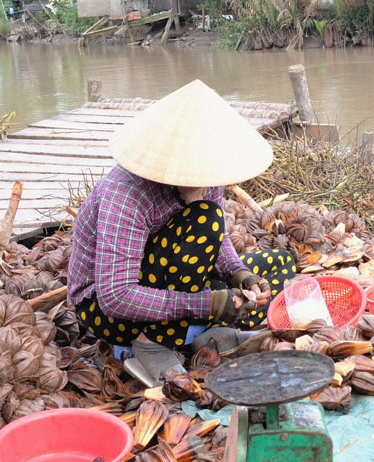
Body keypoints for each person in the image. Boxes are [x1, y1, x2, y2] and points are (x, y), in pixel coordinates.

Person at [67, 80, 296, 378]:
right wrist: (207, 304)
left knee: (279, 264)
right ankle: (153, 343)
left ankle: (201, 336)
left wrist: (239, 274)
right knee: (205, 218)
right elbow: (116, 296)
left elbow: (217, 241)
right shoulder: (127, 194)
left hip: (172, 279)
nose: (206, 182)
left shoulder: (209, 173)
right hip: (107, 309)